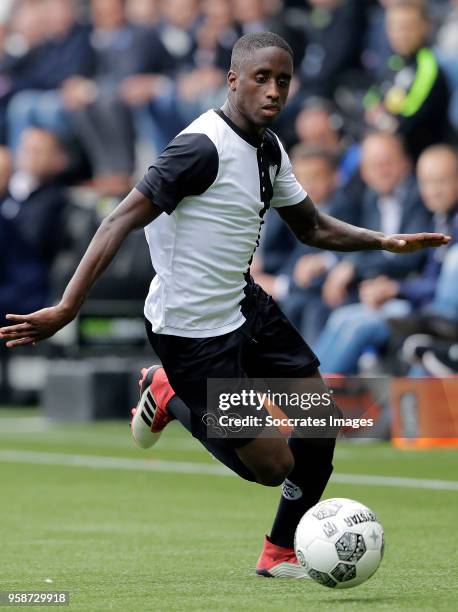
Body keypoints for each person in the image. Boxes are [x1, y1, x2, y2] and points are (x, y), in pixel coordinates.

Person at [0, 32, 449, 578]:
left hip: (246, 305)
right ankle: (166, 391)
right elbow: (118, 218)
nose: (273, 90)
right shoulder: (200, 148)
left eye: (283, 80)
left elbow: (311, 226)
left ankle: (280, 550)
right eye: (261, 78)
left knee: (317, 422)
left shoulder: (269, 147)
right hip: (192, 334)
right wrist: (68, 307)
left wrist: (382, 241)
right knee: (271, 466)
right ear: (233, 78)